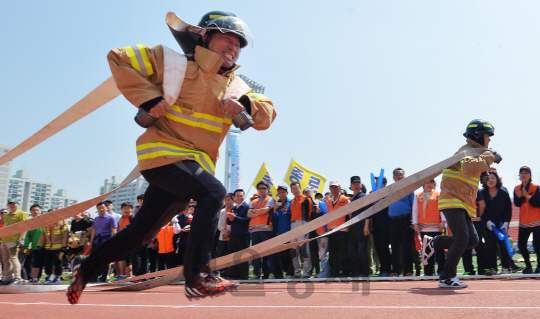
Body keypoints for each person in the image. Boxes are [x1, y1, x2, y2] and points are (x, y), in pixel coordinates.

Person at [67, 10, 275, 303]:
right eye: (226, 39)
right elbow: (119, 57)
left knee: (142, 233)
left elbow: (268, 114)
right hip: (163, 155)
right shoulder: (173, 63)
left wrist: (243, 103)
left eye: (238, 44)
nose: (233, 47)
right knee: (215, 193)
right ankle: (198, 276)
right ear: (205, 37)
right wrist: (149, 98)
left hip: (191, 169)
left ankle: (85, 268)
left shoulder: (237, 86)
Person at [423, 119, 501, 288]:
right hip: (453, 200)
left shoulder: (474, 152)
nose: (489, 141)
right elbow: (469, 167)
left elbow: (470, 170)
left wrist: (482, 173)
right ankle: (447, 277)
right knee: (462, 238)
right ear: (479, 136)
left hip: (462, 203)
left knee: (472, 240)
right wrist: (489, 155)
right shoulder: (466, 151)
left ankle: (434, 243)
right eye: (488, 136)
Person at [412, 180, 446, 276]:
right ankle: (429, 272)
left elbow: (442, 208)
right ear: (423, 185)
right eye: (427, 183)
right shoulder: (418, 196)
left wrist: (443, 221)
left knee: (439, 251)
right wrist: (415, 223)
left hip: (437, 227)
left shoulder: (438, 194)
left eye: (432, 183)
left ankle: (441, 271)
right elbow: (415, 211)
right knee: (427, 252)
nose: (430, 185)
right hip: (424, 228)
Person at [481, 171, 512, 275]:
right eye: (488, 178)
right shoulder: (482, 193)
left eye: (493, 178)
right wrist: (487, 221)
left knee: (503, 246)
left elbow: (508, 209)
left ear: (497, 179)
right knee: (490, 246)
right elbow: (481, 209)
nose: (491, 180)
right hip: (488, 225)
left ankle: (506, 268)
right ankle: (493, 268)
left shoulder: (503, 192)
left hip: (502, 224)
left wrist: (506, 222)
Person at [387, 168, 415, 277]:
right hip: (392, 221)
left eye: (401, 175)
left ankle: (408, 270)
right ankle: (396, 270)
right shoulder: (389, 190)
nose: (400, 177)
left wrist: (413, 222)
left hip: (405, 220)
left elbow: (413, 206)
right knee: (394, 247)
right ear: (393, 178)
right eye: (397, 175)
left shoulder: (409, 189)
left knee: (406, 247)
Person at [513, 166, 540, 274]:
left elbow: (537, 203)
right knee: (521, 245)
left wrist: (527, 196)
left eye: (526, 173)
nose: (523, 175)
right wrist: (520, 197)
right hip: (523, 222)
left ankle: (539, 266)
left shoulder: (536, 187)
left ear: (530, 175)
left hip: (536, 221)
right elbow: (517, 204)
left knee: (537, 245)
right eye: (521, 173)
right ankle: (528, 266)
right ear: (519, 176)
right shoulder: (516, 188)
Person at [248, 181, 276, 279]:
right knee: (256, 254)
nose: (262, 190)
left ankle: (272, 273)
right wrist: (260, 212)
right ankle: (257, 274)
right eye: (260, 188)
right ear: (257, 190)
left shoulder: (270, 199)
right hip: (255, 230)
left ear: (267, 189)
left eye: (264, 188)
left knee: (269, 252)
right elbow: (248, 214)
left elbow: (265, 210)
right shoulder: (254, 201)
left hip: (266, 229)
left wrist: (255, 211)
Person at [287, 182, 313, 278]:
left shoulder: (306, 199)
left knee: (304, 250)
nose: (296, 190)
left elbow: (310, 213)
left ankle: (307, 272)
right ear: (291, 191)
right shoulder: (292, 201)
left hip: (303, 224)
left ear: (300, 189)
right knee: (294, 251)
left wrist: (307, 226)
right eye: (293, 189)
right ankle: (297, 272)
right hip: (293, 225)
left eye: (297, 188)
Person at [325, 181, 351, 277]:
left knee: (343, 253)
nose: (334, 189)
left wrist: (349, 226)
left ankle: (345, 272)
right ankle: (334, 272)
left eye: (336, 187)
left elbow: (350, 215)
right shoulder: (328, 201)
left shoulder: (346, 200)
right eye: (332, 187)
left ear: (340, 188)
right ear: (330, 189)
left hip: (343, 230)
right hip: (332, 231)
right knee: (333, 253)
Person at [348, 176, 372, 277]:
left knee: (362, 251)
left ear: (361, 185)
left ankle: (364, 272)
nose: (356, 185)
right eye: (354, 184)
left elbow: (368, 212)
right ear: (351, 186)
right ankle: (356, 272)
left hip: (361, 227)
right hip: (353, 228)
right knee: (352, 251)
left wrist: (366, 226)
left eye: (358, 183)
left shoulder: (363, 196)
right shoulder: (352, 199)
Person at [0, 199, 28, 286]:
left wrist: (22, 239)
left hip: (13, 240)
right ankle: (8, 278)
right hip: (4, 240)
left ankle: (17, 278)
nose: (12, 205)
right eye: (10, 204)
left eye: (14, 204)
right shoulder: (7, 214)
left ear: (18, 204)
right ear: (8, 205)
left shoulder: (22, 214)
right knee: (5, 260)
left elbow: (25, 226)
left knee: (13, 258)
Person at [88, 202, 117, 282]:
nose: (101, 209)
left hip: (106, 240)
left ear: (106, 208)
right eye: (99, 208)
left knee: (105, 260)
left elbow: (113, 231)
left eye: (102, 207)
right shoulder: (96, 218)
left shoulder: (111, 218)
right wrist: (91, 241)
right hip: (97, 241)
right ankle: (94, 277)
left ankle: (104, 277)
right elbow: (94, 230)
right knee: (94, 259)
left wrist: (112, 242)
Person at [227, 189, 251, 280]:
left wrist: (235, 217)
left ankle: (244, 275)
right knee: (233, 255)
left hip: (244, 234)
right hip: (234, 235)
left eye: (241, 195)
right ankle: (234, 275)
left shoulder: (247, 207)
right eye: (237, 196)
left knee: (244, 256)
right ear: (234, 198)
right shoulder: (233, 208)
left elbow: (247, 221)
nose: (239, 197)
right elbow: (229, 222)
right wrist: (231, 218)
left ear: (244, 196)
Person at [39, 217, 69, 283]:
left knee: (57, 263)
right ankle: (49, 277)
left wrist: (64, 246)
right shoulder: (47, 224)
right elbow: (43, 235)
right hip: (48, 247)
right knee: (48, 263)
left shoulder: (62, 222)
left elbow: (65, 234)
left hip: (58, 247)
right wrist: (40, 244)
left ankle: (57, 278)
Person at [273, 185, 293, 279]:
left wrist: (287, 213)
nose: (281, 194)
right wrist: (274, 211)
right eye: (279, 193)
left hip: (290, 232)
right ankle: (286, 273)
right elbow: (276, 219)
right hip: (280, 233)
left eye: (283, 192)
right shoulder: (278, 204)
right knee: (282, 255)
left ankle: (290, 273)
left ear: (287, 193)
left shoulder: (291, 202)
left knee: (291, 254)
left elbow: (292, 217)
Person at [24, 205, 45, 283]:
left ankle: (50, 278)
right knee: (36, 263)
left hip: (47, 246)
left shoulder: (45, 221)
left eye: (37, 210)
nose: (36, 211)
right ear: (31, 212)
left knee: (47, 263)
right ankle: (35, 278)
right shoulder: (30, 223)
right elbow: (27, 236)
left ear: (40, 211)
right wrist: (27, 247)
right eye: (33, 210)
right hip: (35, 247)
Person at [216, 193, 234, 278]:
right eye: (225, 200)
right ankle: (223, 274)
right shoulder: (222, 211)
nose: (226, 202)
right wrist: (225, 232)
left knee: (231, 255)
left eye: (228, 200)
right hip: (222, 237)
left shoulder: (235, 210)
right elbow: (218, 224)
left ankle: (231, 273)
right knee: (221, 255)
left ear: (233, 200)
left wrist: (229, 232)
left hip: (232, 237)